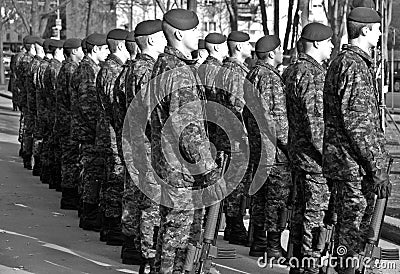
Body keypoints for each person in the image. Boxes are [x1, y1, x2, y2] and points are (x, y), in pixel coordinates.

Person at [149, 9, 225, 273]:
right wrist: (210, 169)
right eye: (194, 31)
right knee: (180, 240)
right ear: (179, 34)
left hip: (168, 166)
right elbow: (188, 130)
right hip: (182, 171)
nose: (199, 35)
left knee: (169, 235)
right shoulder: (178, 72)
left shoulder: (163, 65)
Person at [323, 7, 391, 274]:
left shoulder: (344, 62)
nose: (379, 35)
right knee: (353, 232)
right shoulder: (354, 66)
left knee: (347, 231)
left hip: (346, 163)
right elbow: (359, 126)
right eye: (377, 30)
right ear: (365, 30)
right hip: (354, 167)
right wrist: (376, 168)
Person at [283, 22, 333, 274]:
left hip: (300, 157)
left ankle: (298, 265)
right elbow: (317, 127)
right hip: (315, 162)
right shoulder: (312, 75)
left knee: (301, 214)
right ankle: (309, 267)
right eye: (328, 42)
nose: (332, 46)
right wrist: (331, 157)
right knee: (314, 218)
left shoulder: (293, 70)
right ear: (316, 43)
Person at [121, 19, 166, 272]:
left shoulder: (131, 69)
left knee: (136, 196)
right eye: (162, 36)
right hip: (148, 143)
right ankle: (148, 256)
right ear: (151, 40)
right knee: (150, 202)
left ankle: (134, 246)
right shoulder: (148, 70)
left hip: (135, 140)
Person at [244, 35, 291, 261]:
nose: (282, 53)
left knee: (261, 199)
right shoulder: (269, 78)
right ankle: (272, 247)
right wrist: (290, 146)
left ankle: (258, 243)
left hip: (259, 149)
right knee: (276, 200)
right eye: (280, 49)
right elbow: (277, 120)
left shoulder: (253, 74)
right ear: (272, 53)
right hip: (275, 152)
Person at [213, 30, 253, 246]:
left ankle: (233, 223)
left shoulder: (223, 70)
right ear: (238, 47)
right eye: (247, 44)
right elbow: (238, 107)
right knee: (236, 183)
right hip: (235, 138)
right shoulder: (236, 73)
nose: (250, 47)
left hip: (223, 136)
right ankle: (235, 225)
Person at [95, 28, 130, 246]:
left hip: (113, 132)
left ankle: (109, 224)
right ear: (119, 46)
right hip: (112, 133)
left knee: (114, 178)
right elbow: (113, 106)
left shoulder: (114, 68)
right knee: (115, 179)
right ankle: (111, 225)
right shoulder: (112, 71)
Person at [55, 38, 84, 210]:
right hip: (70, 120)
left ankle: (68, 194)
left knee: (68, 158)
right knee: (71, 159)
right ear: (73, 51)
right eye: (80, 49)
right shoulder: (71, 69)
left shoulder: (65, 67)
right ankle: (70, 196)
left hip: (65, 120)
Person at [43, 39, 65, 191]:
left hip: (50, 111)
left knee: (51, 143)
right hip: (56, 113)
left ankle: (49, 175)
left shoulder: (50, 67)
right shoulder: (55, 68)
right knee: (56, 146)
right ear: (58, 51)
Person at [16, 35, 37, 169]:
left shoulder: (20, 58)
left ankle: (24, 147)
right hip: (28, 97)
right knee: (28, 125)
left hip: (23, 96)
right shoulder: (28, 60)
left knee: (25, 123)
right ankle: (26, 151)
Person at [26, 38, 45, 176]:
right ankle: (33, 161)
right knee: (38, 135)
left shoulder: (34, 64)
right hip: (40, 107)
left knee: (33, 131)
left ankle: (30, 157)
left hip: (34, 104)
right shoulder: (39, 65)